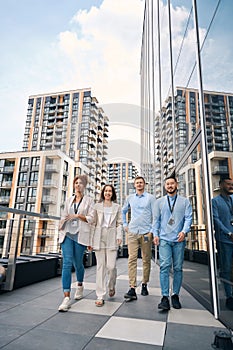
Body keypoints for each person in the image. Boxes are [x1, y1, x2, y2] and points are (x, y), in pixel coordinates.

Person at [153, 176, 192, 310]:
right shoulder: (159, 202)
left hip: (179, 240)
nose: (170, 186)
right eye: (167, 184)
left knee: (177, 268)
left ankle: (175, 295)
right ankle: (164, 297)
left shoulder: (185, 201)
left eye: (172, 183)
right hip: (164, 239)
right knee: (164, 267)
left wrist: (184, 231)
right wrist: (155, 234)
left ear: (176, 185)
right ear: (165, 186)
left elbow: (188, 218)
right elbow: (156, 220)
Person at [58, 174, 94, 312]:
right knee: (66, 263)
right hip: (67, 234)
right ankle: (66, 297)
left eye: (80, 183)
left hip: (81, 235)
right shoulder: (69, 200)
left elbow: (91, 219)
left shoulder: (89, 201)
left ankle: (79, 285)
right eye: (76, 183)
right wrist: (61, 224)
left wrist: (78, 215)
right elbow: (63, 215)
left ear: (84, 186)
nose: (78, 185)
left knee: (78, 263)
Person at [122, 176, 156, 301]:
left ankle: (144, 284)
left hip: (146, 233)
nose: (139, 184)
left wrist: (152, 231)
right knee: (132, 259)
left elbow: (155, 214)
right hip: (132, 231)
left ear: (144, 184)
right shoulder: (130, 198)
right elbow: (123, 211)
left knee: (146, 259)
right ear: (134, 185)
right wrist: (125, 225)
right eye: (137, 183)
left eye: (141, 182)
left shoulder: (151, 198)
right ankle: (132, 288)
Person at [91, 184, 123, 306]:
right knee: (100, 267)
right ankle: (100, 295)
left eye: (110, 191)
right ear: (103, 193)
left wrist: (119, 236)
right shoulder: (97, 206)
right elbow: (93, 224)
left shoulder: (117, 207)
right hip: (99, 237)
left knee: (111, 266)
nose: (108, 193)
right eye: (106, 191)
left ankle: (111, 285)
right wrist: (90, 241)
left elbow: (119, 223)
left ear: (112, 193)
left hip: (112, 237)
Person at [212, 177, 233, 311]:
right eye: (228, 184)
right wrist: (228, 233)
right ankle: (229, 297)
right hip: (225, 240)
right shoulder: (215, 201)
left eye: (232, 184)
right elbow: (215, 219)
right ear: (220, 185)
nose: (231, 186)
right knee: (225, 269)